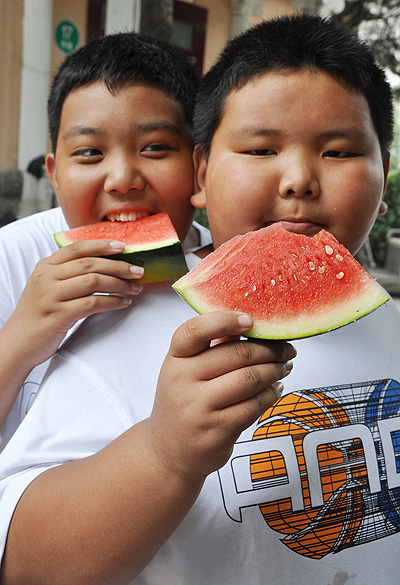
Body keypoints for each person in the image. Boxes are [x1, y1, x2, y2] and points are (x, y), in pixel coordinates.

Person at [0, 12, 399, 585]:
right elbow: (22, 563)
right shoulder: (111, 334)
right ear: (202, 173)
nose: (299, 179)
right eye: (261, 150)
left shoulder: (389, 321)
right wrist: (163, 454)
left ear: (383, 175)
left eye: (338, 152)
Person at [0, 31, 211, 446]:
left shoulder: (219, 261)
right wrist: (23, 335)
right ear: (54, 172)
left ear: (199, 165)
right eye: (90, 153)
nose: (123, 180)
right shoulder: (12, 256)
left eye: (154, 148)